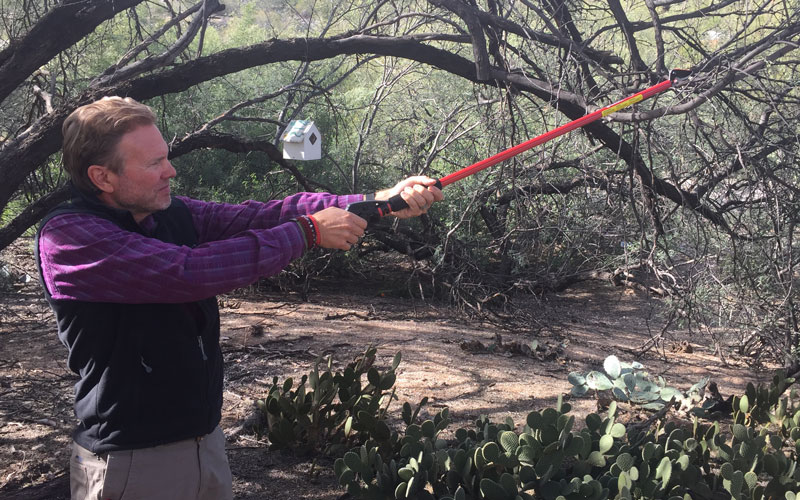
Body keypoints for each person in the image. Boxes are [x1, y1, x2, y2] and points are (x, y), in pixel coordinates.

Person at [35, 96, 443, 500]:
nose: (170, 171)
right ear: (102, 177)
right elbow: (188, 272)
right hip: (131, 460)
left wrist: (380, 200)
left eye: (166, 158)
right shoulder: (70, 237)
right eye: (154, 163)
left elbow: (261, 216)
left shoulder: (168, 214)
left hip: (204, 445)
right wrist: (307, 232)